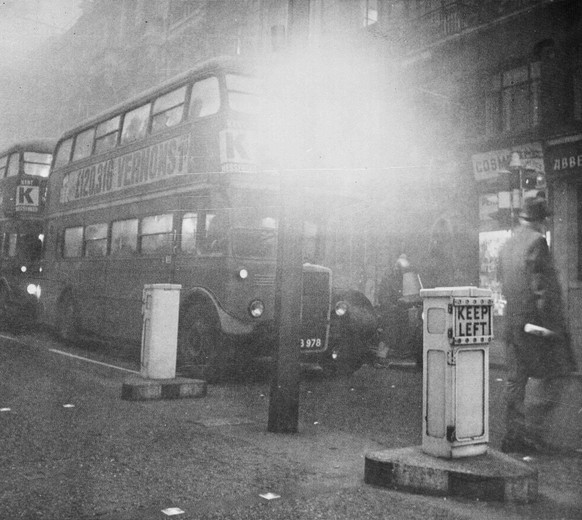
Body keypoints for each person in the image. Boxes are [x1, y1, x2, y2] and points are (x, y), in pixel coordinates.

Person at [499, 195, 576, 453]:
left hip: (512, 323)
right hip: (535, 327)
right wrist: (552, 328)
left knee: (515, 381)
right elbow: (541, 289)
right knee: (554, 377)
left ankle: (514, 435)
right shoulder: (537, 242)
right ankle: (532, 432)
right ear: (541, 220)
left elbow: (504, 283)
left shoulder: (507, 244)